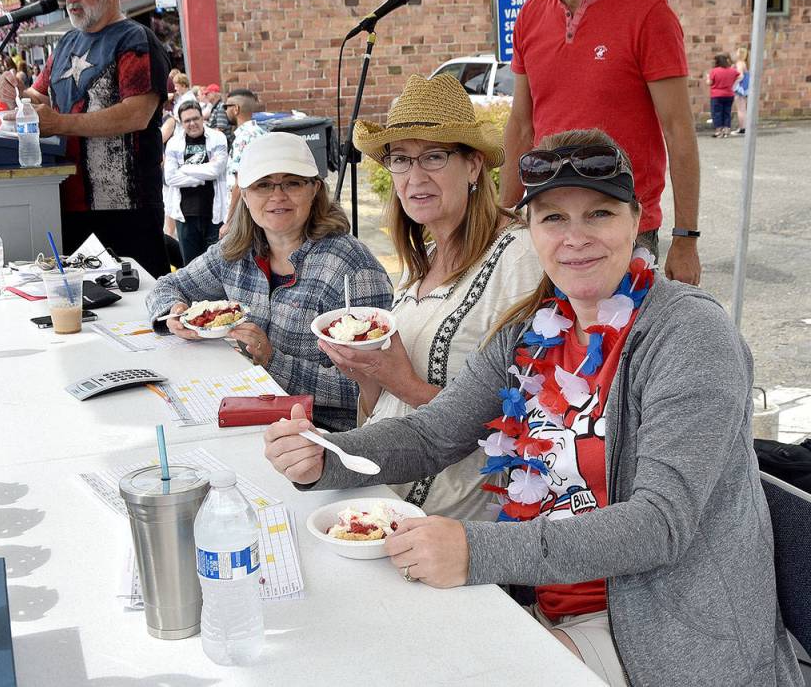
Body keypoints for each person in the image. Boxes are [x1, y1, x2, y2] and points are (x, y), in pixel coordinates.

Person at [266, 127, 801, 686]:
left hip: (671, 631)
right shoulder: (533, 330)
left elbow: (660, 524)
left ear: (637, 219)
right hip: (556, 604)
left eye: (598, 214)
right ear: (530, 232)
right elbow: (433, 435)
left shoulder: (689, 334)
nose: (575, 238)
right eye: (552, 218)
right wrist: (326, 454)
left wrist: (476, 549)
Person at [317, 73, 542, 519]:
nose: (414, 176)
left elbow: (529, 417)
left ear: (474, 165)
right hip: (380, 501)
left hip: (454, 523)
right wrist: (365, 372)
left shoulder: (520, 255)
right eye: (400, 160)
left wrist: (403, 382)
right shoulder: (421, 265)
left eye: (434, 157)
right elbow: (384, 409)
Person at [498, 0, 701, 286]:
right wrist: (506, 217)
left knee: (619, 349)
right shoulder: (529, 17)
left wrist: (686, 236)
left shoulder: (649, 13)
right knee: (546, 346)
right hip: (548, 217)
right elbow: (522, 124)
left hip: (624, 223)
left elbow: (679, 130)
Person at [147, 132, 393, 432]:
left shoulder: (350, 268)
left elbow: (375, 386)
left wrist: (272, 359)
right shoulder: (237, 251)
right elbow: (167, 286)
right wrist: (175, 313)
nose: (277, 195)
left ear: (314, 189)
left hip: (323, 435)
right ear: (245, 194)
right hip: (248, 415)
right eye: (263, 185)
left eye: (292, 182)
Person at [0, 0, 172, 277]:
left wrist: (58, 122)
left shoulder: (136, 39)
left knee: (140, 303)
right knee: (80, 302)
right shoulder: (66, 42)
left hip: (125, 205)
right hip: (65, 200)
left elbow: (137, 113)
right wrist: (18, 96)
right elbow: (43, 98)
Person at [164, 99, 229, 265]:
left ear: (202, 118)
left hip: (214, 215)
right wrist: (202, 178)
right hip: (185, 216)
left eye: (195, 118)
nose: (192, 123)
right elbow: (170, 177)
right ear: (181, 123)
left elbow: (216, 170)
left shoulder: (217, 138)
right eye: (187, 120)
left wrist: (184, 168)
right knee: (190, 267)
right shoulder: (174, 143)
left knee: (216, 266)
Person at [221, 88, 267, 235]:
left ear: (236, 109)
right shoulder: (260, 133)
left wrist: (229, 221)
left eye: (226, 107)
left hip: (244, 215)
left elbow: (239, 182)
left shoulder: (244, 138)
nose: (224, 111)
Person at [706, 53, 740, 138]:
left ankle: (719, 131)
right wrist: (732, 83)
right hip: (729, 94)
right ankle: (727, 130)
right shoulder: (732, 70)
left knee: (717, 113)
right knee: (727, 112)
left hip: (716, 95)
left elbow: (709, 83)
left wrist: (707, 78)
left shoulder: (714, 71)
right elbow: (739, 76)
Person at [732, 45, 751, 135]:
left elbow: (740, 76)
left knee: (740, 109)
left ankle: (741, 128)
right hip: (745, 88)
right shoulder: (746, 63)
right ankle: (744, 127)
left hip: (740, 88)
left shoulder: (739, 63)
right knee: (743, 109)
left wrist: (734, 85)